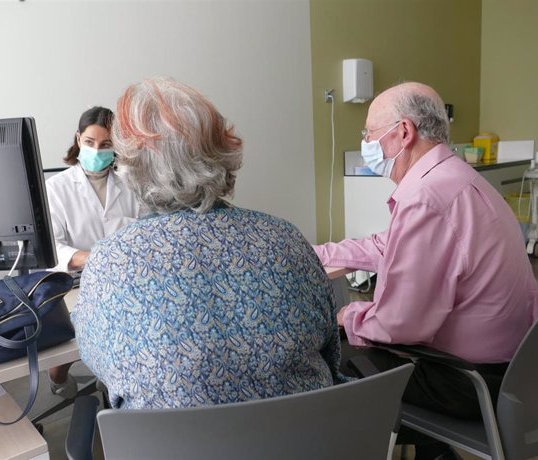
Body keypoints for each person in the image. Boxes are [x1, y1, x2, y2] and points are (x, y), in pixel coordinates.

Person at [72, 77, 344, 409]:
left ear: (131, 168)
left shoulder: (111, 262)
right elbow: (331, 353)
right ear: (222, 153)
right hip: (310, 442)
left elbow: (98, 360)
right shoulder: (287, 239)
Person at [313, 82, 538, 460]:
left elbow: (399, 325)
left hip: (473, 382)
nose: (367, 142)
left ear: (403, 132)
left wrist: (345, 316)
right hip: (516, 368)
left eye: (369, 133)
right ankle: (432, 452)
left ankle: (424, 451)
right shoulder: (456, 179)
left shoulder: (427, 198)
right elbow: (387, 245)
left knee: (333, 349)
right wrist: (317, 253)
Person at [45, 106, 141, 398]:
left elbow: (146, 232)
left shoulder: (132, 184)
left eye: (106, 145)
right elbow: (52, 248)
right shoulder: (57, 188)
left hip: (124, 280)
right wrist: (92, 258)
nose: (97, 150)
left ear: (117, 147)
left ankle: (116, 384)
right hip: (76, 281)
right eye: (90, 142)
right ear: (78, 139)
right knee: (80, 328)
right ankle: (59, 378)